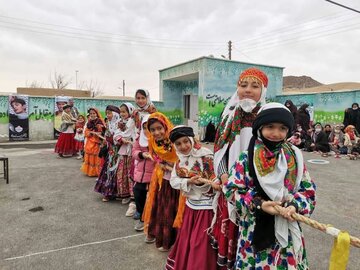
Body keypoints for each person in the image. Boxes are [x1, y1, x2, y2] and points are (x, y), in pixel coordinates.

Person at [223, 103, 316, 269]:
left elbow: (308, 191)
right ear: (259, 128)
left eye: (282, 128)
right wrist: (258, 203)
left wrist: (294, 205)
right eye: (270, 127)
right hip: (253, 228)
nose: (276, 133)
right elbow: (231, 190)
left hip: (286, 228)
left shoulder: (294, 157)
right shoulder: (246, 158)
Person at [212, 67, 268, 269]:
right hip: (230, 184)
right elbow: (220, 149)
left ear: (264, 91)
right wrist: (223, 174)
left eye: (255, 86)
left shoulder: (268, 117)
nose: (248, 90)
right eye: (243, 85)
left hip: (259, 186)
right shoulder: (228, 115)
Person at [164, 126, 218, 270]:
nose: (183, 146)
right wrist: (189, 181)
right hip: (191, 207)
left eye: (186, 141)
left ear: (192, 140)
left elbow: (215, 179)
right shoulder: (179, 161)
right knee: (188, 240)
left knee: (200, 242)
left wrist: (203, 183)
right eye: (178, 144)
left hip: (207, 208)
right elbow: (173, 181)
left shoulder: (206, 155)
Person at [142, 112, 179, 251]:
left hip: (177, 181)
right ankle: (163, 238)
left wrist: (169, 166)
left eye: (159, 128)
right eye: (152, 130)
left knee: (173, 209)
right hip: (162, 179)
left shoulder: (175, 140)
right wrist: (161, 164)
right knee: (162, 209)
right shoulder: (153, 141)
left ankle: (174, 240)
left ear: (165, 126)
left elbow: (185, 159)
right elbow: (154, 155)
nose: (156, 132)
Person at [132, 114, 156, 231]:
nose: (147, 131)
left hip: (153, 175)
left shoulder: (159, 140)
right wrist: (142, 154)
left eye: (150, 128)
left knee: (152, 198)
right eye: (145, 127)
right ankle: (141, 214)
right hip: (140, 174)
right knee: (138, 193)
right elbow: (134, 151)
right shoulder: (139, 138)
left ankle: (149, 219)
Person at [94, 105, 122, 201]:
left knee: (117, 172)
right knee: (109, 171)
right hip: (111, 153)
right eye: (106, 113)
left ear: (115, 114)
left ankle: (118, 192)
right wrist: (104, 143)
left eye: (109, 113)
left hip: (119, 153)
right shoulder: (109, 124)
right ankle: (109, 193)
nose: (108, 115)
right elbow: (107, 137)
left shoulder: (121, 125)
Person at [114, 103, 137, 213]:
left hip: (132, 150)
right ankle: (125, 193)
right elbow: (116, 134)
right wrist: (120, 138)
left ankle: (133, 195)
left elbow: (132, 134)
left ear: (130, 111)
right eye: (121, 111)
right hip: (123, 150)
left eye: (124, 111)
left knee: (130, 173)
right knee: (122, 172)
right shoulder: (119, 123)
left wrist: (124, 138)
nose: (122, 114)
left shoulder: (133, 122)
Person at [81, 108, 105, 177]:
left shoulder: (100, 121)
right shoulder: (88, 122)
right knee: (90, 156)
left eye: (94, 113)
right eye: (91, 114)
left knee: (97, 157)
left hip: (97, 142)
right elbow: (85, 132)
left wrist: (100, 130)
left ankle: (97, 172)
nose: (92, 115)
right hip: (90, 141)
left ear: (97, 114)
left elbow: (104, 131)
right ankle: (91, 172)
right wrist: (91, 133)